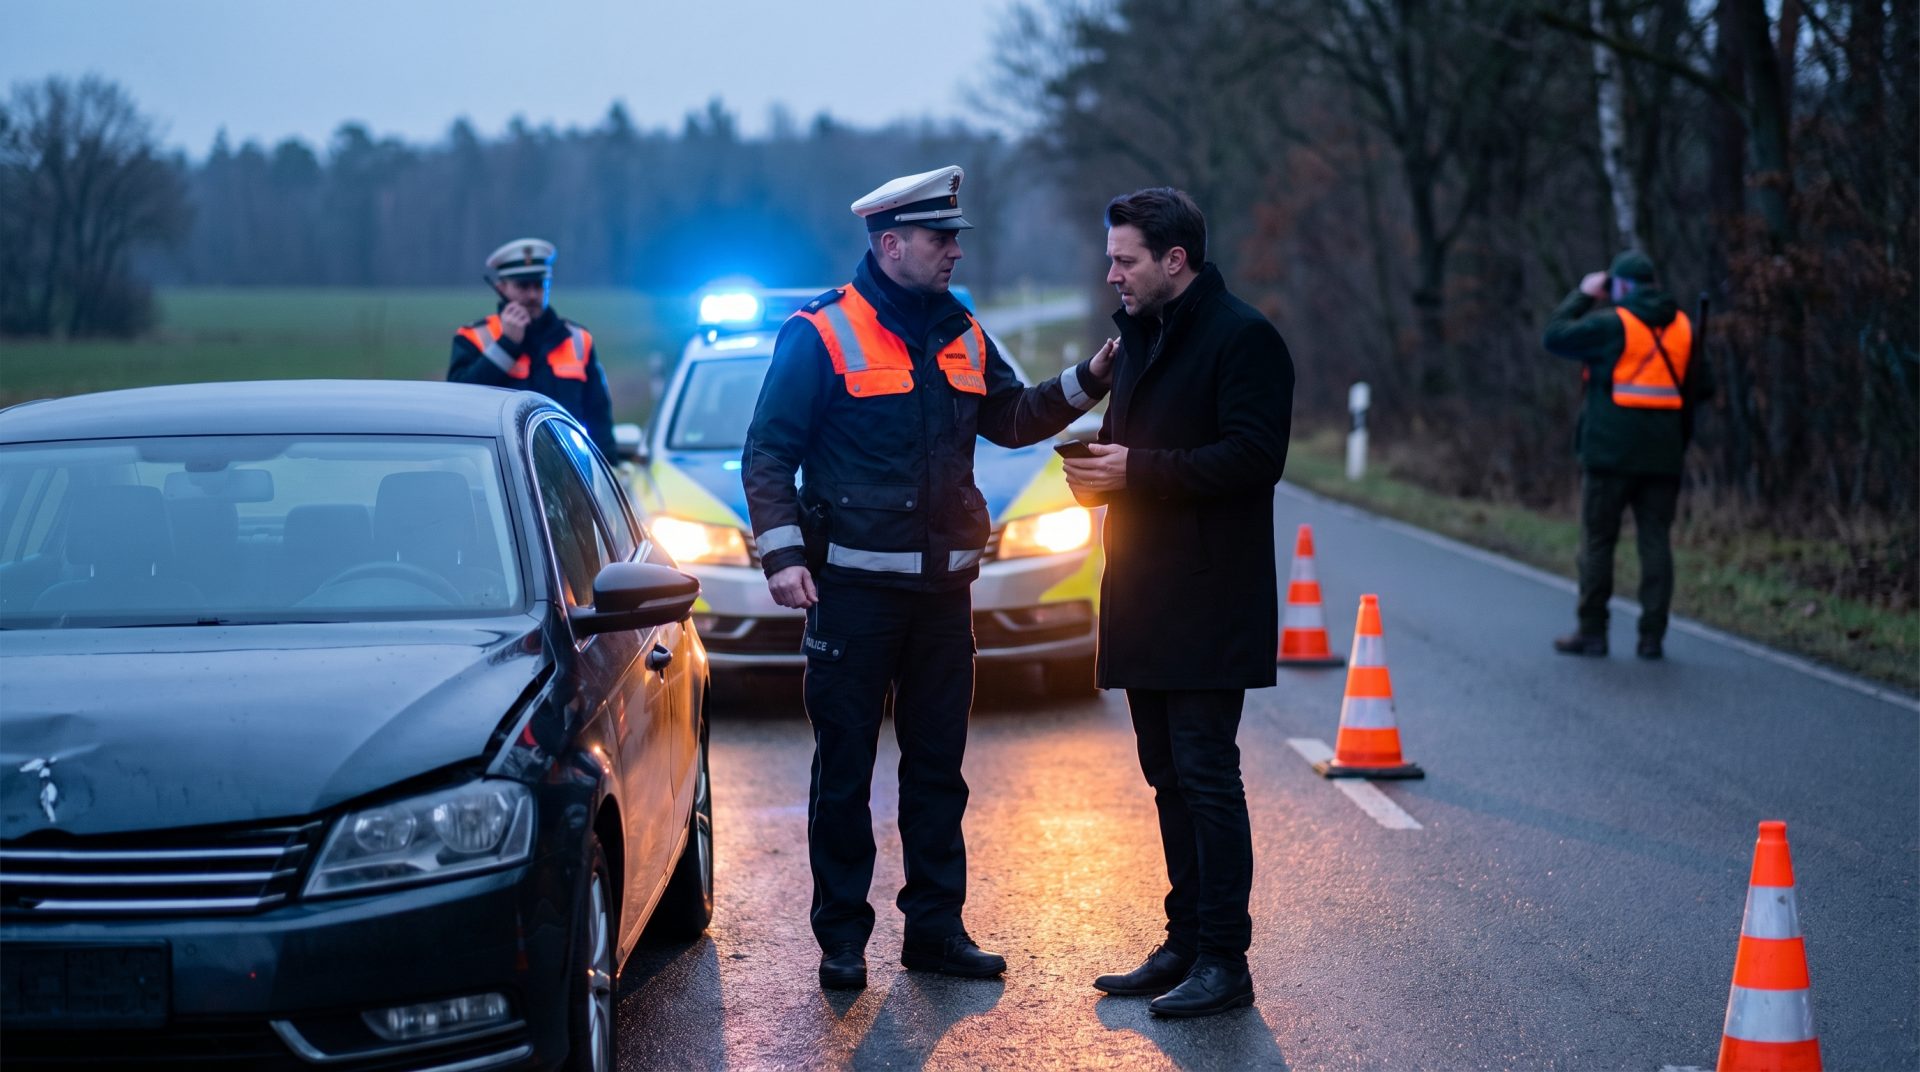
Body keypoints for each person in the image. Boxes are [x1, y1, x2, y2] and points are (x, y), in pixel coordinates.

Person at [741, 165, 1115, 991]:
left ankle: (934, 933)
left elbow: (1012, 419)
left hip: (944, 596)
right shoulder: (822, 332)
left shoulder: (963, 330)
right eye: (940, 238)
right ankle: (842, 939)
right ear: (890, 243)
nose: (953, 250)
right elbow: (769, 451)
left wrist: (1090, 377)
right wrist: (784, 553)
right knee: (844, 772)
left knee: (938, 769)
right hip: (852, 596)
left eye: (954, 238)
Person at [1062, 187, 1294, 1019]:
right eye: (1111, 257)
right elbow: (1143, 456)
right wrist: (1099, 474)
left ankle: (1226, 961)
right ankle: (1186, 941)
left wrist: (1135, 471)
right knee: (1165, 774)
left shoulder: (1245, 338)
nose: (1112, 274)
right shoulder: (1134, 341)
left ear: (1175, 260)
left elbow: (1254, 458)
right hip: (1143, 589)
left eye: (1125, 259)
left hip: (1209, 596)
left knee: (1205, 773)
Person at [1543, 250, 1713, 660]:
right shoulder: (1684, 328)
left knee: (1599, 542)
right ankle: (1652, 637)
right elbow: (1703, 387)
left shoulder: (1611, 323)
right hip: (1663, 457)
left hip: (1608, 456)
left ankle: (1592, 632)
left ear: (1618, 287)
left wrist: (1584, 294)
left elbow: (1555, 336)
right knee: (1656, 543)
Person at [448, 237, 617, 459]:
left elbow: (599, 419)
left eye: (539, 285)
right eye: (522, 286)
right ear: (501, 288)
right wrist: (507, 346)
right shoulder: (473, 337)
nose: (532, 295)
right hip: (500, 468)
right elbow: (459, 404)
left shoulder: (578, 339)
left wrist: (609, 466)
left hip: (568, 468)